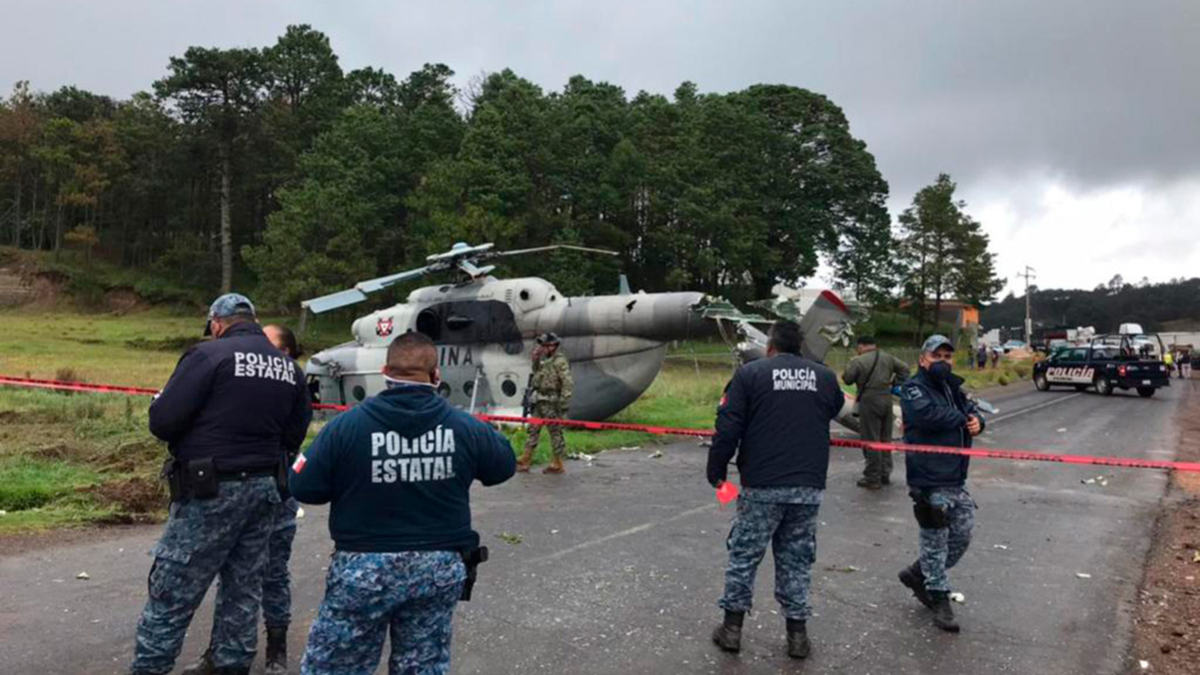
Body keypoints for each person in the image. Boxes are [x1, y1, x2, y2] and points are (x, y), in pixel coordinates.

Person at [290, 332, 516, 675]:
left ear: (385, 371)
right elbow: (502, 466)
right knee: (422, 667)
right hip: (438, 569)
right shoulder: (464, 426)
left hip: (364, 570)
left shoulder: (346, 427)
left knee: (336, 667)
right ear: (436, 375)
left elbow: (304, 486)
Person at [129, 295, 313, 675]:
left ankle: (151, 667)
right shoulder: (288, 368)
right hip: (264, 491)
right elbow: (294, 435)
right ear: (254, 321)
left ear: (216, 323)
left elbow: (163, 421)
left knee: (173, 589)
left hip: (210, 489)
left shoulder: (207, 356)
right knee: (243, 588)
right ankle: (231, 665)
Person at [707, 321, 844, 659]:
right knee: (796, 560)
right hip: (807, 486)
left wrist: (717, 471)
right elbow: (834, 407)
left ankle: (732, 629)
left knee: (744, 557)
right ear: (801, 347)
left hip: (762, 485)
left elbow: (728, 427)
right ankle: (797, 636)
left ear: (770, 346)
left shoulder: (750, 375)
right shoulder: (824, 377)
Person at [182, 325, 307, 675]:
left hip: (276, 493)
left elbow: (293, 438)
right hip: (245, 489)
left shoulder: (289, 387)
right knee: (233, 576)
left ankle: (276, 651)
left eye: (269, 345)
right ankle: (219, 653)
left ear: (285, 354)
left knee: (273, 574)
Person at [897, 334, 984, 633]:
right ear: (923, 359)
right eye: (937, 357)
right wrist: (962, 418)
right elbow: (927, 416)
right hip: (928, 478)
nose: (943, 362)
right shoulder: (912, 389)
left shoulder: (953, 389)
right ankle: (939, 598)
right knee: (935, 541)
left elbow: (973, 412)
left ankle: (918, 573)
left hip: (955, 477)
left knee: (962, 534)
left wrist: (977, 422)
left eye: (948, 357)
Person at [842, 335, 910, 490]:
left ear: (861, 346)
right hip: (886, 399)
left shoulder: (858, 361)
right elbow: (905, 368)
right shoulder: (887, 357)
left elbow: (847, 379)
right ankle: (885, 473)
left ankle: (872, 477)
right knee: (885, 438)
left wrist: (850, 364)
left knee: (870, 438)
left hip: (869, 400)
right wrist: (896, 383)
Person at [517, 332, 574, 474]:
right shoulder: (544, 361)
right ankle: (525, 460)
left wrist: (563, 402)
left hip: (551, 402)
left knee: (555, 432)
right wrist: (535, 359)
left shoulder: (559, 361)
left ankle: (557, 463)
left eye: (545, 345)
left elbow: (567, 382)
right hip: (540, 401)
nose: (542, 348)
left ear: (553, 346)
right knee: (533, 430)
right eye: (542, 346)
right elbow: (536, 372)